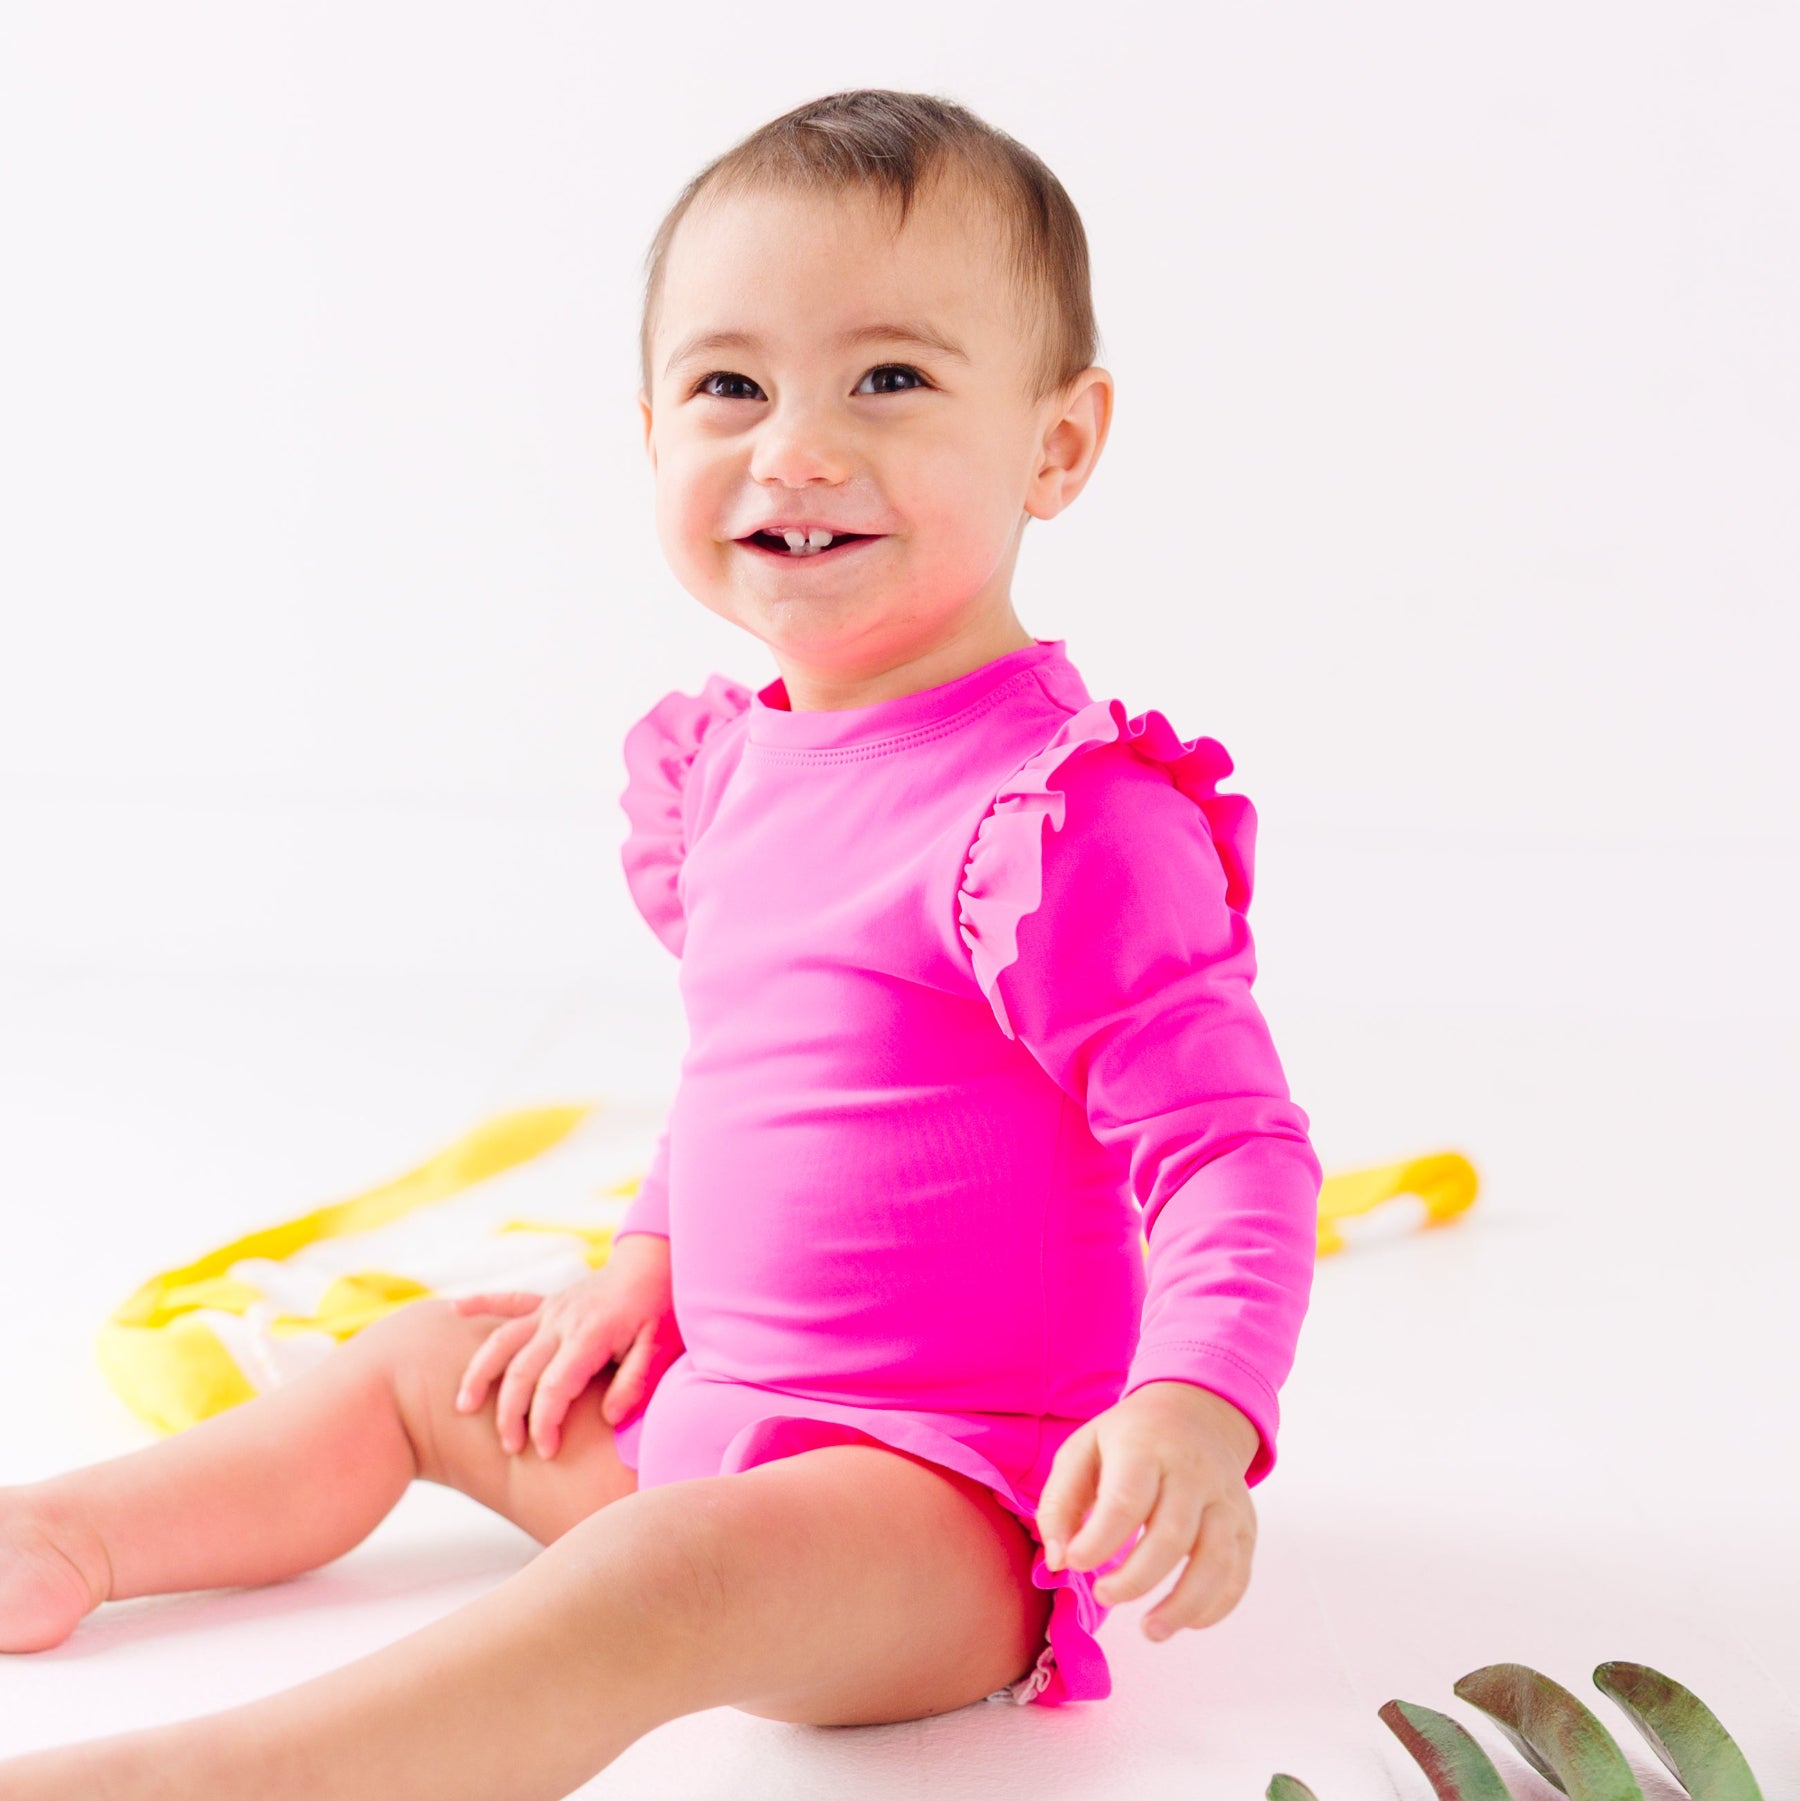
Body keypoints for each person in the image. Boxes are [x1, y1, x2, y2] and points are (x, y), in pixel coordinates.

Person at [0, 87, 1323, 1797]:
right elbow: (750, 1082)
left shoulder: (1065, 820)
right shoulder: (734, 764)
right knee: (423, 1359)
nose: (796, 444)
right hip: (709, 1418)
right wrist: (644, 1266)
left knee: (650, 1584)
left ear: (1059, 444)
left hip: (945, 1503)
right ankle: (66, 1536)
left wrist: (1196, 1411)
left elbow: (1232, 1152)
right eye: (731, 386)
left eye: (891, 380)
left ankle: (212, 1778)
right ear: (650, 436)